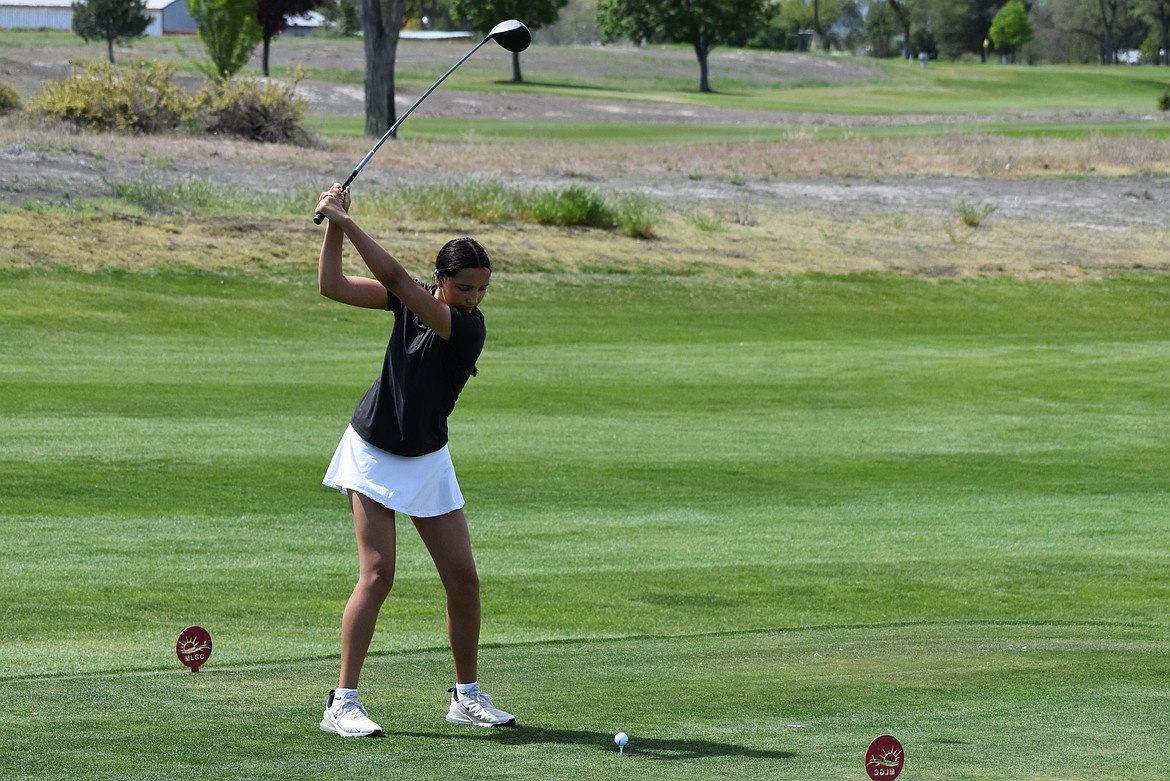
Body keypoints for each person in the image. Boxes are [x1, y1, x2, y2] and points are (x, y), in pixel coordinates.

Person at [313, 183, 515, 737]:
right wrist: (335, 223)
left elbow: (397, 281)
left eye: (483, 289)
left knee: (464, 579)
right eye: (464, 287)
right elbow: (331, 285)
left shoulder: (467, 328)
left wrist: (347, 221)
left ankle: (466, 695)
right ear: (441, 280)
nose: (474, 298)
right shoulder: (413, 301)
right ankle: (342, 702)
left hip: (426, 457)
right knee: (378, 574)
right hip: (374, 451)